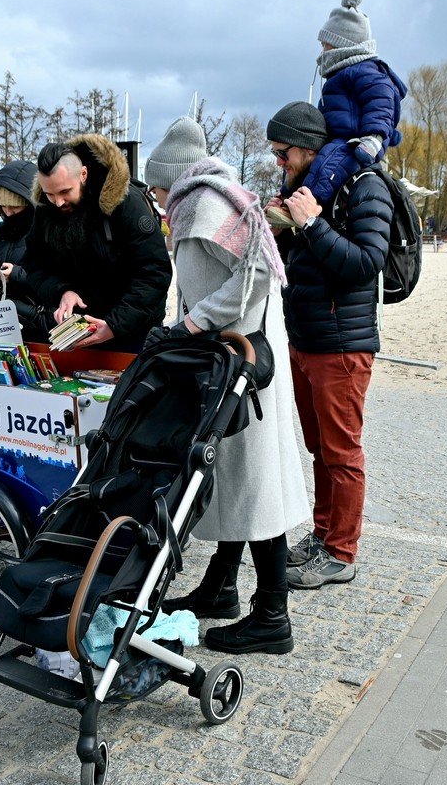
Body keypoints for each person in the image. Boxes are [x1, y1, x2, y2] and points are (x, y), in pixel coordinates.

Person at [144, 117, 310, 655]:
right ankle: (221, 587)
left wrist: (198, 322)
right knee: (237, 478)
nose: (153, 196)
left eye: (154, 185)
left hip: (241, 359)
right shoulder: (210, 200)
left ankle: (272, 616)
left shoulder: (203, 206)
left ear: (172, 178)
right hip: (236, 356)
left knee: (253, 484)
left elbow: (260, 271)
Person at [264, 101, 392, 589]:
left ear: (308, 147)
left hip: (343, 344)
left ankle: (341, 552)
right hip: (306, 338)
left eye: (283, 152)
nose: (279, 162)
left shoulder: (365, 185)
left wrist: (312, 225)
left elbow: (366, 263)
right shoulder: (305, 188)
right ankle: (322, 536)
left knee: (342, 452)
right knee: (320, 449)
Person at [268, 0, 406, 228]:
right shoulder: (340, 76)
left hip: (359, 141)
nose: (322, 52)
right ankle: (286, 198)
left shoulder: (366, 72)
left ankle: (305, 206)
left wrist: (374, 137)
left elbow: (382, 104)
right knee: (301, 164)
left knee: (327, 165)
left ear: (343, 45)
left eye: (326, 45)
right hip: (340, 137)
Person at [21, 135, 172, 352]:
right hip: (80, 331)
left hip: (132, 330)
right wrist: (62, 291)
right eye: (50, 194)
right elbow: (34, 264)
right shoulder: (46, 209)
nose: (58, 202)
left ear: (83, 174)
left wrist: (114, 325)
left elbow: (155, 273)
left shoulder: (125, 203)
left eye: (65, 192)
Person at [0, 160, 49, 342]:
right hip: (1, 320)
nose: (8, 212)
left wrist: (15, 274)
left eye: (15, 206)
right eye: (2, 206)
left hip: (37, 322)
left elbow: (57, 275)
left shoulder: (47, 231)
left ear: (30, 202)